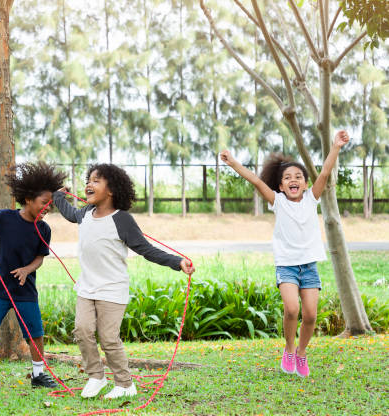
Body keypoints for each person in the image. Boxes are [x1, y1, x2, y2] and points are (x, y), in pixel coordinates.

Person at [52, 163, 195, 399]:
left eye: (96, 181)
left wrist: (177, 262)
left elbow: (146, 250)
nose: (89, 184)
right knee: (82, 329)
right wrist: (58, 195)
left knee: (109, 338)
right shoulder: (85, 213)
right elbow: (69, 213)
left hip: (112, 289)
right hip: (86, 287)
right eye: (89, 180)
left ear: (111, 190)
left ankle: (125, 383)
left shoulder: (122, 220)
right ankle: (96, 377)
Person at [220, 130, 350, 377]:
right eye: (288, 177)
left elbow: (324, 172)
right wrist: (234, 162)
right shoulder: (277, 202)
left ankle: (301, 353)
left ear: (304, 184)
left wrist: (335, 147)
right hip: (287, 266)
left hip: (309, 267)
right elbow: (256, 181)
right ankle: (289, 349)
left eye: (298, 177)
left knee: (310, 315)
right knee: (291, 309)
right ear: (281, 185)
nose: (294, 180)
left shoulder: (312, 199)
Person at [0, 162, 67, 390]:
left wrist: (26, 270)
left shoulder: (44, 230)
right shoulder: (5, 219)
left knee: (36, 333)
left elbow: (40, 257)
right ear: (29, 200)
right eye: (44, 203)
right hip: (0, 289)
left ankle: (38, 375)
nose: (47, 208)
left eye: (50, 205)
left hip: (25, 291)